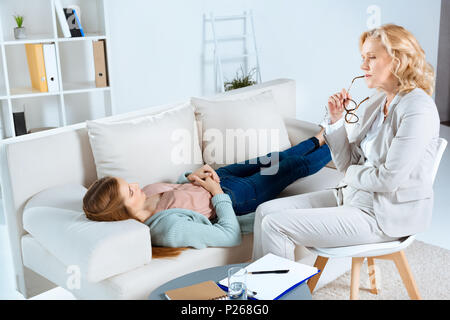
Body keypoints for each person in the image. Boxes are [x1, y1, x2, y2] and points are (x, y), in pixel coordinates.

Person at [254, 24, 440, 261]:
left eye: (371, 58)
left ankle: (275, 297)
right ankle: (254, 295)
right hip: (353, 196)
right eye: (363, 58)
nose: (363, 66)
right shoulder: (376, 102)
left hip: (382, 215)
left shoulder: (417, 109)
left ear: (398, 61)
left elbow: (388, 179)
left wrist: (352, 174)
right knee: (265, 212)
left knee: (275, 226)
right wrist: (336, 121)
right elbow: (347, 164)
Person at [82, 132, 331, 256]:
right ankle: (343, 145)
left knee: (274, 158)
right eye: (129, 190)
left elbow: (179, 189)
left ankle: (322, 137)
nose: (135, 184)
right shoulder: (168, 229)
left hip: (219, 177)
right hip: (235, 197)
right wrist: (215, 192)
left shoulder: (146, 194)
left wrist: (192, 176)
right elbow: (229, 235)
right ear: (121, 210)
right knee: (291, 167)